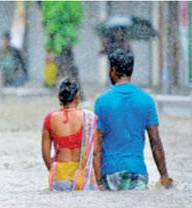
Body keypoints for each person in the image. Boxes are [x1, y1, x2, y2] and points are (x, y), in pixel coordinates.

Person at [94, 48, 172, 190]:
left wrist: (99, 182)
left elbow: (97, 147)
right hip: (137, 172)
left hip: (110, 173)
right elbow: (155, 141)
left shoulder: (102, 101)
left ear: (113, 70)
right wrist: (164, 175)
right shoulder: (146, 100)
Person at [42, 78, 98, 191]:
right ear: (77, 95)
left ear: (58, 96)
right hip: (83, 175)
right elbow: (95, 152)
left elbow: (45, 154)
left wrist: (53, 170)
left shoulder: (50, 119)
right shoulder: (89, 118)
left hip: (59, 175)